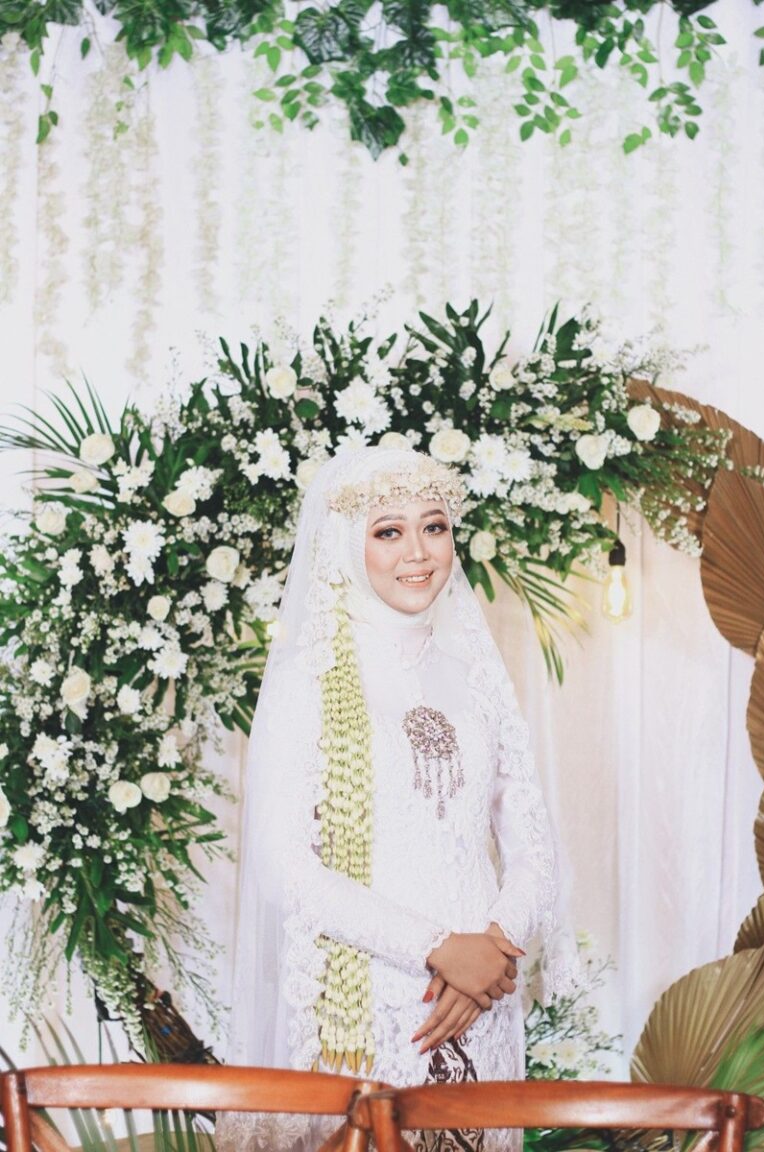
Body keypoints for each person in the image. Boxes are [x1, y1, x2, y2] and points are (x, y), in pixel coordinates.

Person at [219, 446, 575, 1152]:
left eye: (434, 526)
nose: (418, 552)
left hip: (484, 1003)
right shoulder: (307, 682)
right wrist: (438, 951)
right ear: (346, 544)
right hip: (376, 1003)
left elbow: (533, 844)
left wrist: (490, 952)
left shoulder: (476, 677)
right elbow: (284, 868)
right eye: (389, 531)